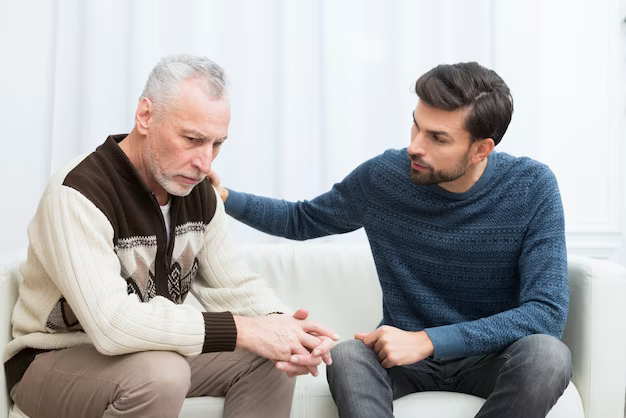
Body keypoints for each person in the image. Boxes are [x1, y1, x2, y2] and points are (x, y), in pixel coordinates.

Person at [210, 62, 572, 418]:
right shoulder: (384, 178)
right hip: (403, 361)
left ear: (481, 149)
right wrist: (222, 196)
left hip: (491, 357)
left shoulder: (531, 187)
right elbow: (302, 219)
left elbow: (546, 313)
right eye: (416, 126)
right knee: (350, 356)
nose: (415, 146)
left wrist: (429, 340)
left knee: (548, 356)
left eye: (437, 138)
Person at [3, 55, 338, 418]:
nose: (205, 163)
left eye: (216, 144)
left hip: (148, 354)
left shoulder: (198, 194)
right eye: (192, 139)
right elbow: (112, 324)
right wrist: (245, 330)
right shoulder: (79, 193)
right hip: (53, 360)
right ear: (146, 116)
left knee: (266, 359)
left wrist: (289, 331)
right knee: (163, 374)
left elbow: (236, 285)